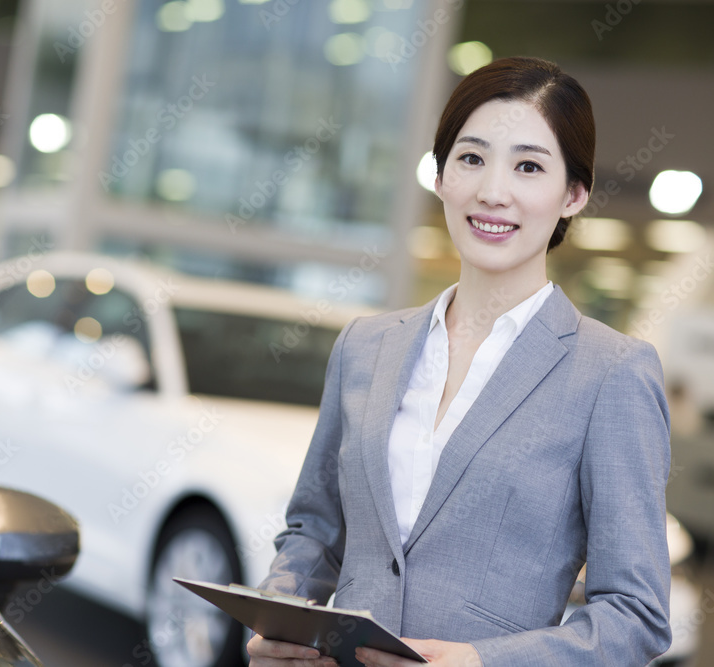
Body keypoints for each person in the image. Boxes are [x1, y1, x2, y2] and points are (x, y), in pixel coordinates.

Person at [247, 56, 671, 667]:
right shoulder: (366, 344)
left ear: (574, 194)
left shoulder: (611, 373)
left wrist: (480, 662)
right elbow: (315, 531)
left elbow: (636, 617)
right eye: (471, 159)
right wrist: (279, 614)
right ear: (441, 176)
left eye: (528, 166)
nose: (492, 191)